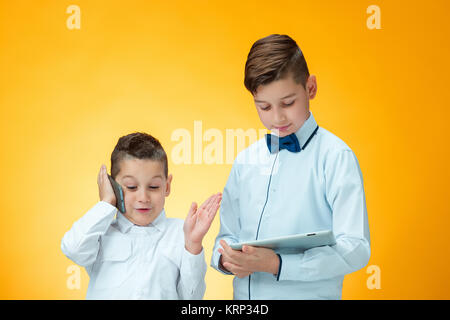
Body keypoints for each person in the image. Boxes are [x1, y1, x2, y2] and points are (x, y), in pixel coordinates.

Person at [211, 34, 370, 299]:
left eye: (287, 103)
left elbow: (355, 247)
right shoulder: (244, 161)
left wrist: (276, 264)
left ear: (311, 88)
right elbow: (226, 236)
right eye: (264, 107)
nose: (277, 117)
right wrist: (226, 260)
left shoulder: (336, 157)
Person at [61, 132, 221, 299]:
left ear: (167, 186)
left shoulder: (181, 233)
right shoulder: (100, 233)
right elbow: (73, 249)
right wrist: (107, 202)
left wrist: (193, 245)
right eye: (131, 187)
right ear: (112, 186)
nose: (143, 198)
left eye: (153, 187)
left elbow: (192, 298)